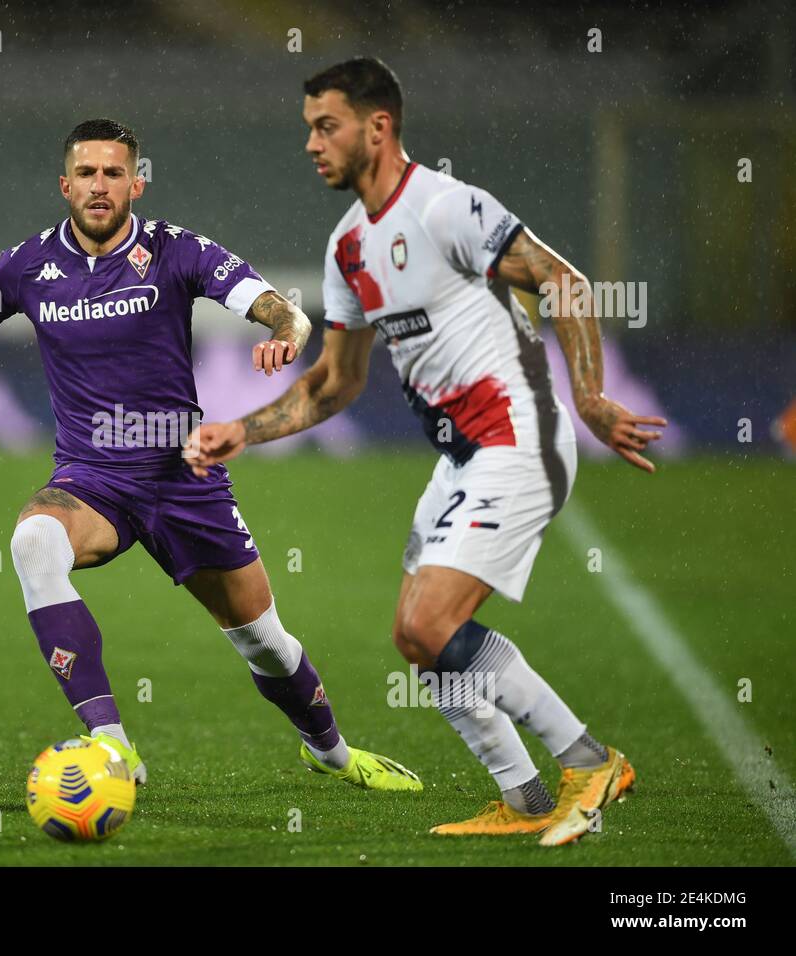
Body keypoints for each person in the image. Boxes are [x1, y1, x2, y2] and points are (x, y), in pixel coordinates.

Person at [186, 60, 666, 844]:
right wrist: (246, 429)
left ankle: (590, 761)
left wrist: (588, 398)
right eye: (308, 126)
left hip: (517, 436)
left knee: (434, 621)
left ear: (378, 127)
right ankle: (525, 800)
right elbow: (335, 385)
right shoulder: (348, 247)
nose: (311, 142)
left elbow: (564, 283)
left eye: (326, 125)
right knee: (416, 637)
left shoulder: (448, 208)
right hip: (459, 460)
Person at [0, 117, 422, 795]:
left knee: (263, 641)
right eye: (88, 173)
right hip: (91, 480)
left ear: (138, 182)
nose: (101, 186)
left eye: (114, 173)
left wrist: (284, 331)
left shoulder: (175, 251)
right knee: (35, 543)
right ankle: (112, 745)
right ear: (64, 183)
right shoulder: (23, 267)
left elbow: (283, 309)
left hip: (184, 478)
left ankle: (332, 753)